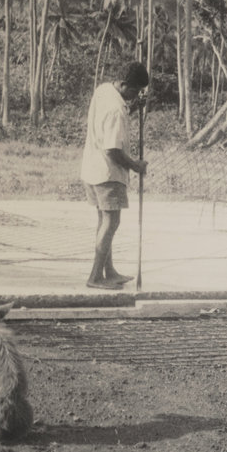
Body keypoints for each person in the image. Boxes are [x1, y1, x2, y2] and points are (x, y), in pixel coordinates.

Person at [80, 61, 149, 291]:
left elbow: (113, 117)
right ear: (124, 84)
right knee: (111, 222)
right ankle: (95, 276)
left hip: (92, 168)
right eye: (135, 91)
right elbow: (112, 149)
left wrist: (134, 105)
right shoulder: (116, 110)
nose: (135, 95)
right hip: (108, 172)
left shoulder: (104, 90)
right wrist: (135, 166)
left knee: (104, 222)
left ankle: (108, 271)